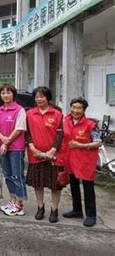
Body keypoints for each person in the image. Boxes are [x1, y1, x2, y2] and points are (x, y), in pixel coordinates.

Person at [26, 86, 63, 223]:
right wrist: (32, 147)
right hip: (35, 154)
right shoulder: (30, 114)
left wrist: (53, 150)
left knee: (55, 185)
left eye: (42, 96)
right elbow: (27, 132)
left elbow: (60, 134)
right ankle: (40, 207)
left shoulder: (57, 114)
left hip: (53, 156)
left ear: (48, 97)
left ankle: (54, 210)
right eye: (36, 97)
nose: (39, 99)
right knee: (38, 183)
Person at [61, 97, 100, 227]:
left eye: (79, 108)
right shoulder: (65, 121)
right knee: (73, 185)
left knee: (88, 188)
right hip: (70, 159)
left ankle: (91, 215)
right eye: (74, 107)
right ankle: (77, 210)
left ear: (84, 110)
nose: (76, 110)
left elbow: (97, 142)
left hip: (85, 161)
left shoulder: (90, 125)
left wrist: (81, 145)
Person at [0, 84, 27, 216]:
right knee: (8, 175)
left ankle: (19, 204)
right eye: (3, 93)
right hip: (2, 147)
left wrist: (6, 142)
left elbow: (20, 129)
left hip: (16, 148)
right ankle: (12, 200)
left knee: (17, 175)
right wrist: (2, 140)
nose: (5, 95)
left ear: (13, 95)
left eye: (8, 93)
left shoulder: (19, 110)